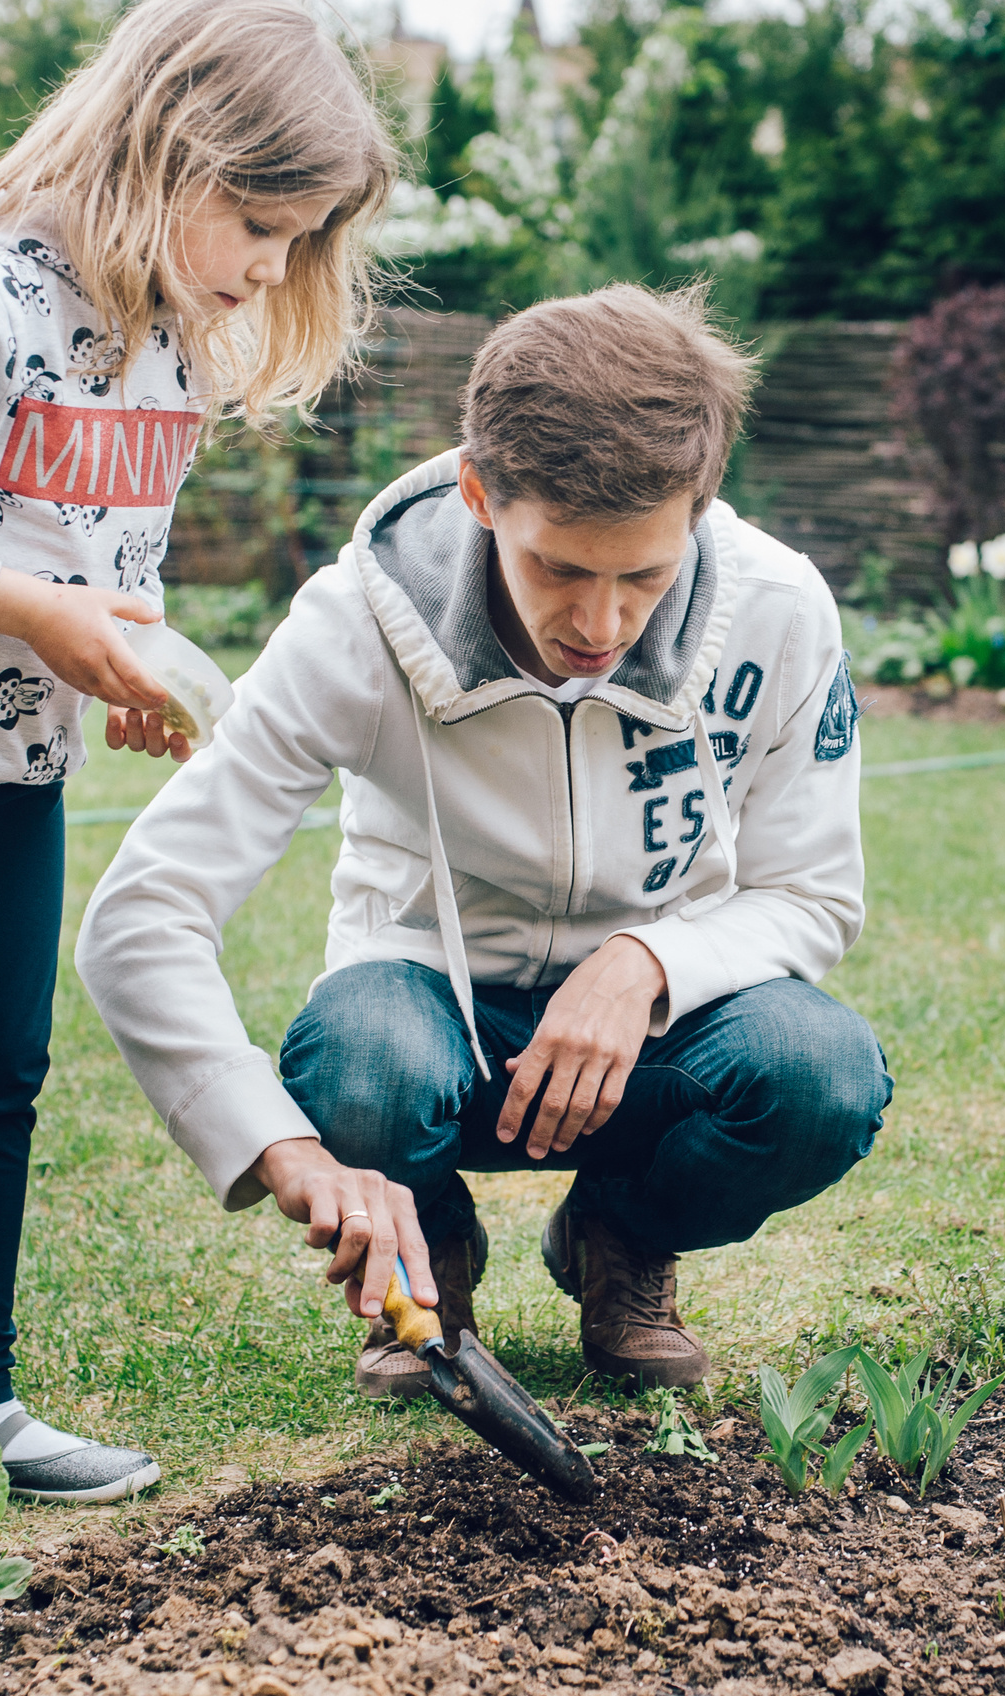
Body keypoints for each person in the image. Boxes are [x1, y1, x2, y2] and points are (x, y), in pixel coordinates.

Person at [0, 0, 399, 1525]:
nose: (267, 270)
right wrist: (43, 613)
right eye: (257, 223)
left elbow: (90, 542)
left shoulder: (171, 339)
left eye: (297, 243)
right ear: (170, 150)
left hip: (14, 753)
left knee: (1, 1081)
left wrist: (121, 652)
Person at [76, 283, 891, 1396]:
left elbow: (813, 896)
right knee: (361, 1066)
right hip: (429, 1023)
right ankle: (430, 1259)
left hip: (661, 1041)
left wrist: (645, 964)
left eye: (642, 576)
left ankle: (620, 1240)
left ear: (699, 508)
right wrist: (281, 1149)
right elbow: (144, 914)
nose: (600, 628)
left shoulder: (782, 611)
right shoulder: (355, 622)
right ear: (478, 493)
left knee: (820, 1075)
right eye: (559, 567)